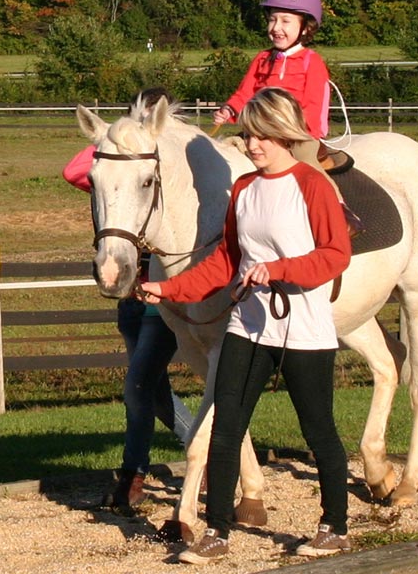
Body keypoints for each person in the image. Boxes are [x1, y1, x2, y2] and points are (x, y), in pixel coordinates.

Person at [141, 87, 353, 563]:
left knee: (318, 430)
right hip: (249, 325)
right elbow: (228, 260)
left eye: (261, 136)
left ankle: (334, 525)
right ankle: (216, 531)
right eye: (247, 134)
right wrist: (168, 290)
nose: (252, 144)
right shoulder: (244, 189)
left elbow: (335, 255)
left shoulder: (312, 186)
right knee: (226, 427)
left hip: (303, 328)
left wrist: (278, 270)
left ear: (284, 134)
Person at [62, 88, 194, 510]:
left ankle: (138, 473)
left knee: (139, 387)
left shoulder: (172, 168)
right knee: (149, 389)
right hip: (132, 288)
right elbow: (75, 171)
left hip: (162, 285)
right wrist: (112, 138)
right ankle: (198, 451)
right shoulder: (120, 161)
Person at [212, 0, 362, 235]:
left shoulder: (311, 63)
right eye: (272, 20)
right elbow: (245, 92)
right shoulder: (261, 59)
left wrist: (291, 132)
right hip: (259, 132)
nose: (276, 28)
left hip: (297, 136)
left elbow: (314, 106)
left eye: (285, 21)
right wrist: (229, 110)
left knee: (306, 160)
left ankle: (339, 209)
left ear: (305, 27)